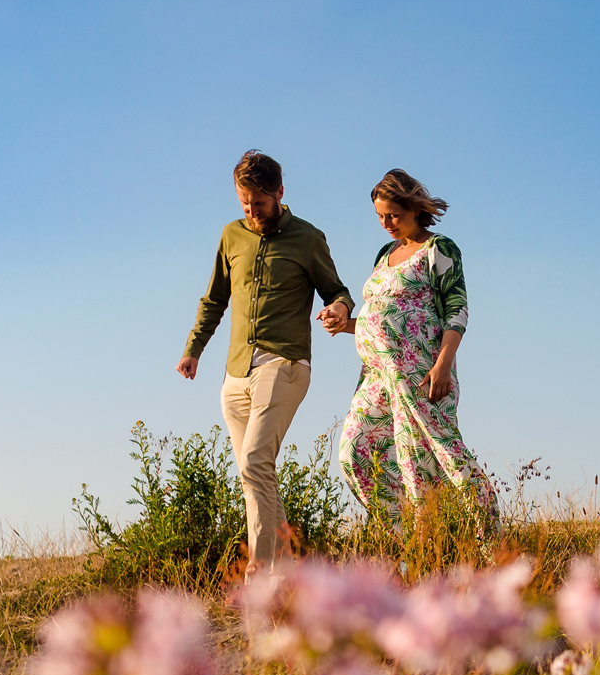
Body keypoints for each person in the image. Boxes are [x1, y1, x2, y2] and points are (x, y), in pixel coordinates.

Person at [177, 150, 355, 565]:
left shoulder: (308, 238)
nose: (252, 211)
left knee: (255, 463)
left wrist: (340, 310)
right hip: (236, 372)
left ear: (279, 193)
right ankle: (289, 572)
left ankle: (261, 577)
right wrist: (193, 349)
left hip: (285, 363)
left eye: (259, 203)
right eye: (244, 203)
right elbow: (214, 299)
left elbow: (337, 290)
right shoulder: (231, 235)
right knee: (256, 477)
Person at [337, 169, 496, 518]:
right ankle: (404, 535)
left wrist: (443, 365)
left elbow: (457, 309)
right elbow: (380, 315)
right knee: (354, 449)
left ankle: (487, 534)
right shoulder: (384, 253)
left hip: (421, 371)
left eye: (393, 214)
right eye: (380, 216)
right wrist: (349, 324)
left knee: (429, 456)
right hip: (378, 375)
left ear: (414, 209)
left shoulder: (438, 248)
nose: (386, 223)